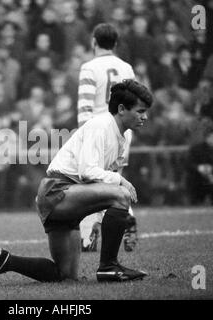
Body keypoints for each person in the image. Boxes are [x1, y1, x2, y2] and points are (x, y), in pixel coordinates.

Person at [0, 79, 152, 286]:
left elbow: (99, 182)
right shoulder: (101, 125)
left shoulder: (120, 136)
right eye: (140, 111)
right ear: (121, 109)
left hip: (67, 196)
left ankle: (5, 261)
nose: (144, 116)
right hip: (58, 192)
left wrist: (106, 213)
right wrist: (121, 181)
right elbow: (87, 172)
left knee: (64, 275)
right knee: (121, 194)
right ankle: (109, 267)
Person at [76, 23, 137, 252]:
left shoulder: (89, 68)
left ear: (94, 41)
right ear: (116, 43)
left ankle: (87, 237)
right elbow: (135, 105)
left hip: (97, 131)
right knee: (113, 181)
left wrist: (83, 137)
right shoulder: (126, 68)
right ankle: (127, 215)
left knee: (88, 184)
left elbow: (85, 106)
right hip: (122, 131)